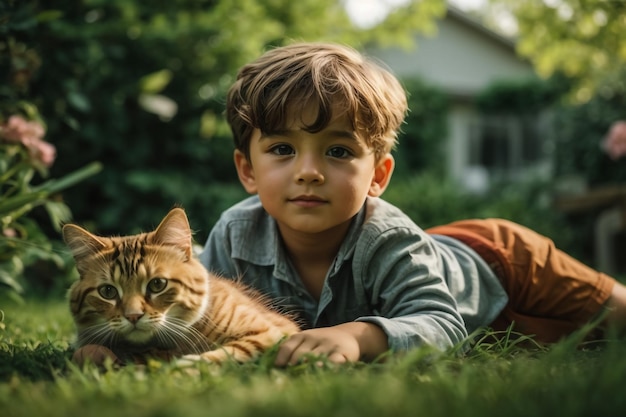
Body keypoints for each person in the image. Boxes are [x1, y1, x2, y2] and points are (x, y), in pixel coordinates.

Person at [200, 42, 626, 366]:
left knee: (618, 316)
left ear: (379, 176)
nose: (308, 171)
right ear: (247, 170)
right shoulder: (235, 235)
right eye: (281, 149)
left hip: (504, 263)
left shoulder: (386, 239)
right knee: (567, 342)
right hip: (459, 284)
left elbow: (441, 323)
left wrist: (358, 336)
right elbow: (197, 313)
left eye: (338, 152)